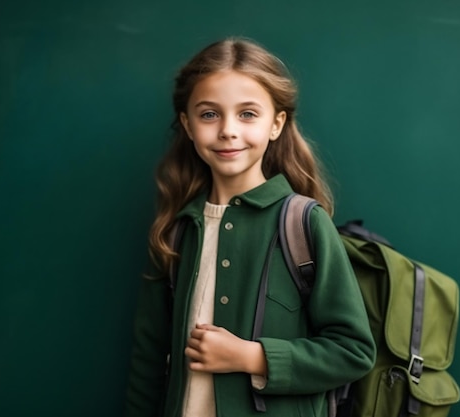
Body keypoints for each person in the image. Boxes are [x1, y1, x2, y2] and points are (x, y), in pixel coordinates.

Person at [125, 37, 376, 417]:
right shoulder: (175, 231)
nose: (227, 130)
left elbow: (353, 352)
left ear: (276, 124)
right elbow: (147, 360)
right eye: (209, 114)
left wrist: (252, 357)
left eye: (247, 114)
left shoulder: (303, 223)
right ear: (187, 125)